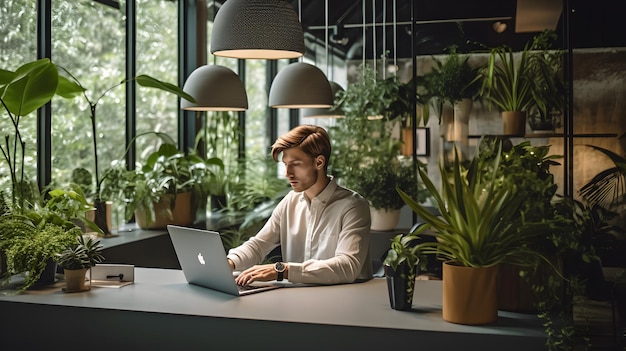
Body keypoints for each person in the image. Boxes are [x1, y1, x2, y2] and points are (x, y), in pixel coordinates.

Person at [227, 124, 372, 286]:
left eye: (295, 164)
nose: (287, 173)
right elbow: (258, 246)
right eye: (285, 164)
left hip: (344, 302)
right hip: (296, 300)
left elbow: (347, 266)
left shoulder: (353, 206)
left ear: (319, 162)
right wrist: (229, 262)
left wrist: (282, 270)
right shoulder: (290, 201)